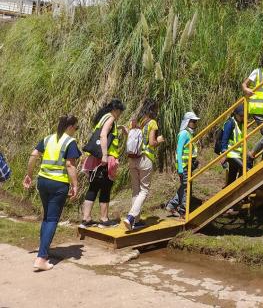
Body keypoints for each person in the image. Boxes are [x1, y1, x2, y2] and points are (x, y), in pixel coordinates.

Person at [23, 115, 80, 271]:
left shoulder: (47, 139)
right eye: (76, 127)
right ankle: (41, 258)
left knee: (47, 217)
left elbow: (34, 155)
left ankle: (43, 251)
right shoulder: (70, 141)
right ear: (70, 127)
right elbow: (70, 165)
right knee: (52, 219)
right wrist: (75, 185)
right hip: (58, 184)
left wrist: (29, 174)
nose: (76, 130)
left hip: (43, 181)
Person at [80, 99, 125, 229]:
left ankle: (86, 218)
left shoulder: (102, 118)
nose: (120, 114)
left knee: (93, 187)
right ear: (116, 110)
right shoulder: (110, 118)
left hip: (94, 159)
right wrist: (105, 155)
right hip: (105, 159)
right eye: (120, 112)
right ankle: (104, 219)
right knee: (105, 188)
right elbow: (103, 135)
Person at [123, 99, 164, 231]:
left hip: (132, 159)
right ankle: (130, 217)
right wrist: (159, 140)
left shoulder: (137, 123)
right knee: (144, 190)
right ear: (153, 110)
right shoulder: (152, 123)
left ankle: (136, 221)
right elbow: (151, 143)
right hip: (145, 159)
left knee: (135, 190)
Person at [165, 111, 200, 219]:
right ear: (187, 122)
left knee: (185, 186)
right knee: (186, 188)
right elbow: (179, 151)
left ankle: (171, 205)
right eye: (193, 121)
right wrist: (180, 167)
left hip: (188, 165)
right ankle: (183, 211)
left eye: (195, 122)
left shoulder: (189, 133)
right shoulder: (184, 134)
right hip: (184, 166)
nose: (195, 123)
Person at [220, 104, 244, 185]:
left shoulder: (240, 124)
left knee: (232, 175)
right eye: (241, 115)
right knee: (244, 168)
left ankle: (229, 190)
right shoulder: (230, 123)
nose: (242, 117)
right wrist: (224, 154)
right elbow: (224, 139)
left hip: (237, 154)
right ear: (235, 114)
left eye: (244, 115)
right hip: (230, 153)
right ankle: (238, 187)